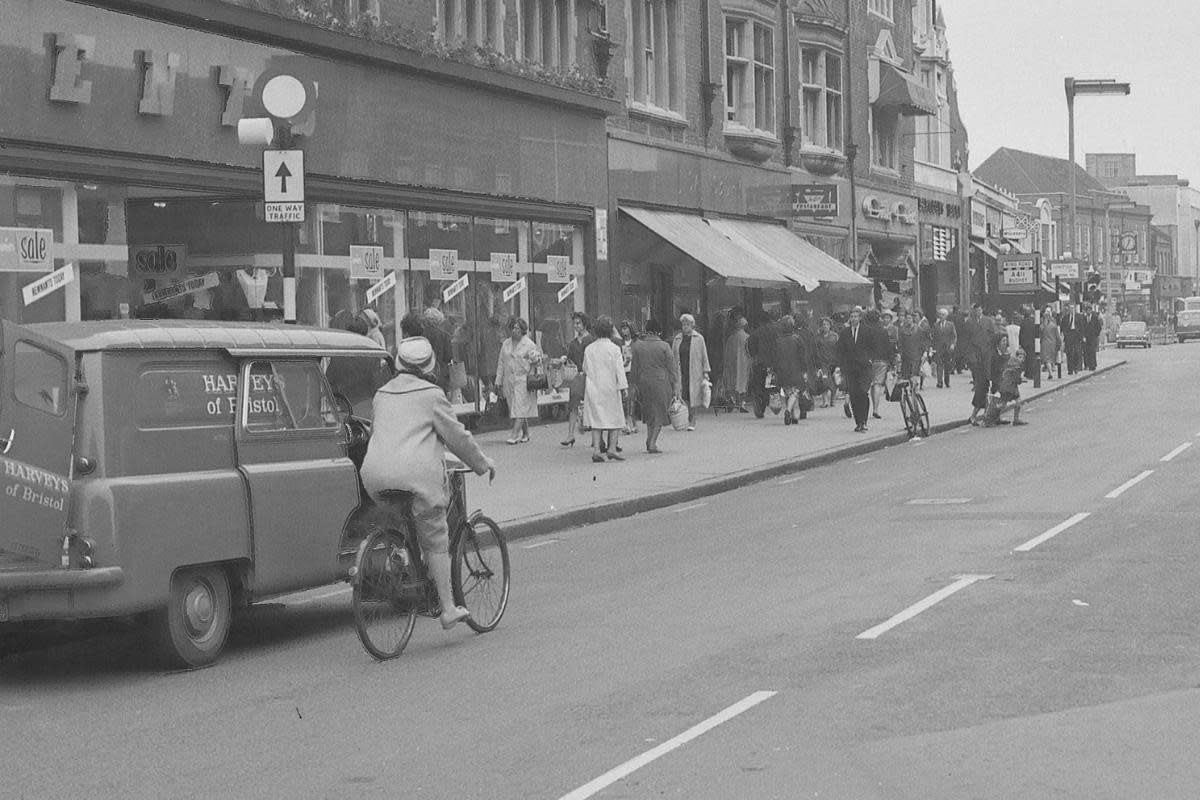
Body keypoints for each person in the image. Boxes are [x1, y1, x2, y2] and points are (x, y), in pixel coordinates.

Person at [358, 336, 496, 631]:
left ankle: (401, 557)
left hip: (374, 474)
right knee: (434, 533)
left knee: (400, 519)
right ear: (428, 366)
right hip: (415, 475)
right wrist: (482, 464)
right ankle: (447, 608)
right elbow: (457, 437)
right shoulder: (432, 395)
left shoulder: (381, 393)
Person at [583, 316, 629, 463]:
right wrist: (624, 387)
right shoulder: (614, 349)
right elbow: (619, 370)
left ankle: (597, 450)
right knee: (615, 418)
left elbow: (585, 368)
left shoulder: (589, 349)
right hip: (610, 387)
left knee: (597, 419)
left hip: (593, 387)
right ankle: (612, 448)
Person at [630, 318, 679, 453]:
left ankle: (648, 438)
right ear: (658, 331)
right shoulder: (664, 346)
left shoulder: (638, 346)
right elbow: (672, 368)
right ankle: (652, 442)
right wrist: (675, 385)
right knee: (660, 412)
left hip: (643, 381)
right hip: (661, 382)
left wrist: (633, 384)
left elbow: (634, 368)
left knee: (649, 412)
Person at [495, 317, 542, 445]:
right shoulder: (506, 343)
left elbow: (538, 361)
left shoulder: (529, 344)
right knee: (514, 407)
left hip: (523, 379)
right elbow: (501, 363)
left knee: (520, 406)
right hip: (508, 380)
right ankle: (526, 433)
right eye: (513, 327)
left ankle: (514, 435)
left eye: (517, 328)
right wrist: (498, 381)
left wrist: (534, 360)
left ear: (523, 330)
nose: (514, 330)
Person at [836, 307, 878, 433]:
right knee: (854, 394)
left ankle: (864, 421)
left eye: (856, 316)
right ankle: (858, 422)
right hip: (850, 368)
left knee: (862, 393)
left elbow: (873, 347)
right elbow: (840, 349)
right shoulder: (845, 332)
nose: (853, 319)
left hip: (864, 367)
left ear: (860, 318)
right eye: (852, 316)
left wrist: (870, 359)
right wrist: (841, 364)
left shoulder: (867, 331)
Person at [671, 313, 711, 431]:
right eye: (683, 324)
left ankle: (693, 419)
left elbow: (704, 355)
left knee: (694, 394)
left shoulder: (699, 338)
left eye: (687, 324)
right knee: (683, 395)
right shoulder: (677, 339)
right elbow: (673, 356)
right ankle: (686, 417)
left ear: (692, 325)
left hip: (695, 371)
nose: (685, 327)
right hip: (681, 370)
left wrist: (706, 371)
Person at [561, 311, 594, 447]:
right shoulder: (573, 343)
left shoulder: (591, 340)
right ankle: (570, 435)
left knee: (592, 405)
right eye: (574, 323)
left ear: (584, 324)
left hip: (590, 376)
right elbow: (570, 359)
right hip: (577, 376)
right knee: (573, 404)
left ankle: (596, 438)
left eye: (578, 323)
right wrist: (564, 360)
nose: (576, 326)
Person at [965, 305, 999, 426]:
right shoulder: (969, 322)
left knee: (989, 388)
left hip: (988, 356)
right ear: (973, 312)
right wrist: (970, 357)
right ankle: (979, 415)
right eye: (976, 310)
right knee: (982, 387)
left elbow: (993, 336)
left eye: (980, 310)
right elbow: (967, 339)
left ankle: (985, 415)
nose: (978, 312)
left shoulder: (988, 321)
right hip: (977, 358)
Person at [773, 316, 810, 426]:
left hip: (782, 370)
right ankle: (788, 411)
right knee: (795, 391)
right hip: (795, 368)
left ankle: (793, 417)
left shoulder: (778, 341)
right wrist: (804, 370)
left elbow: (775, 357)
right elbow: (802, 356)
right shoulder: (797, 339)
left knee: (787, 391)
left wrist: (775, 370)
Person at [745, 311, 781, 417]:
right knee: (772, 385)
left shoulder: (756, 333)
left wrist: (753, 356)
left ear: (760, 321)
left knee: (758, 384)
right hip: (774, 363)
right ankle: (770, 401)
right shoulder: (777, 330)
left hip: (760, 363)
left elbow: (750, 347)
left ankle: (760, 403)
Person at [984, 343, 1027, 427]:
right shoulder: (1016, 366)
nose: (1021, 359)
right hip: (1009, 387)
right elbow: (1016, 379)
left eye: (1022, 358)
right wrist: (1021, 380)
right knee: (1002, 404)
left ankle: (1014, 419)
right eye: (1020, 357)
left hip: (1008, 386)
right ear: (1017, 357)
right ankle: (989, 417)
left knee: (1015, 401)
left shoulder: (1011, 363)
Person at [867, 309, 894, 420]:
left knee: (870, 385)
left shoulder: (866, 331)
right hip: (881, 361)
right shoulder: (883, 331)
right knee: (877, 385)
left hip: (869, 361)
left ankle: (863, 409)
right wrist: (891, 362)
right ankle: (875, 409)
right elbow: (888, 347)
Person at [723, 315, 752, 412]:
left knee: (732, 381)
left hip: (732, 364)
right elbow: (750, 352)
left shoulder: (731, 337)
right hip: (744, 364)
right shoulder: (748, 337)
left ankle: (732, 399)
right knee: (743, 383)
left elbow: (727, 352)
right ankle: (742, 403)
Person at [422, 307, 454, 392]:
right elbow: (449, 357)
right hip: (441, 375)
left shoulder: (421, 336)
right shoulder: (445, 336)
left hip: (424, 375)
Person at [617, 320, 638, 434]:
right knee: (624, 399)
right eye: (622, 328)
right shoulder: (619, 343)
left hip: (633, 372)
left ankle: (632, 422)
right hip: (622, 372)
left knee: (632, 397)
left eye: (626, 328)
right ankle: (625, 422)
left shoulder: (636, 343)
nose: (624, 331)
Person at [813, 317, 840, 408]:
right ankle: (825, 401)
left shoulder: (835, 336)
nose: (825, 326)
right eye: (823, 324)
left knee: (834, 381)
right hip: (822, 362)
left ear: (830, 325)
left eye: (827, 324)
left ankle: (833, 400)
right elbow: (815, 350)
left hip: (834, 361)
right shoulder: (817, 337)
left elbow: (839, 348)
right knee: (824, 381)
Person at [931, 307, 958, 388]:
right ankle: (939, 382)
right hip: (939, 348)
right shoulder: (936, 325)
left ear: (946, 316)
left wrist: (953, 344)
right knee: (939, 365)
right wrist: (933, 347)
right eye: (940, 314)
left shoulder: (950, 325)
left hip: (947, 348)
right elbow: (933, 337)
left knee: (947, 366)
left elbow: (954, 336)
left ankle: (947, 381)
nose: (941, 316)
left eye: (943, 315)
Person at [1061, 303, 1085, 374]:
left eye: (1072, 308)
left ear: (1074, 309)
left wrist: (1082, 336)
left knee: (1076, 352)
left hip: (1076, 335)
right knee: (1069, 353)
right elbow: (1062, 327)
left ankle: (1076, 367)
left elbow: (1082, 327)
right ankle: (1070, 369)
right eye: (1070, 308)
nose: (1071, 310)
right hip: (1069, 335)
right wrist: (1065, 334)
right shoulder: (1065, 317)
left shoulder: (1079, 316)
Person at [1018, 305, 1040, 379]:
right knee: (1032, 358)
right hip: (1033, 343)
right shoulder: (1034, 322)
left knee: (1026, 359)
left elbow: (1021, 333)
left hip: (1025, 343)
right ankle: (1031, 373)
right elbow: (1037, 332)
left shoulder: (1023, 323)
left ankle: (1027, 373)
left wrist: (1020, 343)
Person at [1041, 308, 1062, 379]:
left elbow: (1040, 336)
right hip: (1053, 343)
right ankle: (1051, 371)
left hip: (1045, 344)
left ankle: (1050, 373)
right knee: (1051, 358)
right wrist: (1059, 343)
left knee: (1047, 359)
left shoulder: (1042, 326)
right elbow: (1058, 336)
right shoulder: (1054, 325)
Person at [1083, 305, 1103, 370]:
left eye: (1089, 310)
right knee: (1086, 352)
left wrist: (1096, 334)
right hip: (1086, 338)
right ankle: (1087, 365)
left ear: (1091, 311)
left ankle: (1093, 365)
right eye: (1087, 310)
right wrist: (1083, 336)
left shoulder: (1095, 318)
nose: (1088, 312)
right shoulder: (1084, 318)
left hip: (1093, 337)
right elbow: (1082, 328)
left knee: (1092, 351)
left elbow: (1099, 327)